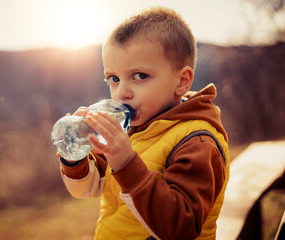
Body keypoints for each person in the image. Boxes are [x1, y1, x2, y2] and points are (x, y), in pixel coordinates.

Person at [57, 6, 230, 240]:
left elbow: (181, 228)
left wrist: (126, 163)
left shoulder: (197, 141)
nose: (122, 93)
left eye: (139, 76)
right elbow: (90, 188)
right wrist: (76, 156)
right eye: (114, 79)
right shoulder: (132, 127)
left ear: (182, 81)